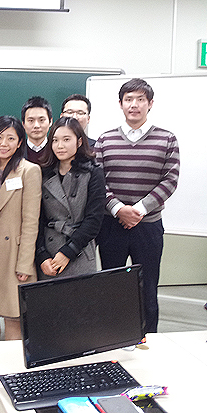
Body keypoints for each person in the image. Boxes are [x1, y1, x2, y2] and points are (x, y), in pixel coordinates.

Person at [95, 78, 180, 333]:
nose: (134, 105)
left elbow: (170, 180)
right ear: (120, 104)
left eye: (140, 99)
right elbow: (98, 181)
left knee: (147, 288)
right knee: (112, 287)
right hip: (112, 226)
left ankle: (148, 340)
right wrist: (118, 209)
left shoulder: (167, 139)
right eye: (129, 99)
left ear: (150, 103)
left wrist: (139, 210)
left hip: (148, 227)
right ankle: (112, 338)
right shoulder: (105, 140)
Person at [0, 116, 41, 341]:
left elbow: (31, 221)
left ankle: (12, 364)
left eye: (11, 138)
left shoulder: (29, 171)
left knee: (13, 317)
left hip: (13, 254)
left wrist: (25, 262)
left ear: (20, 142)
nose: (4, 143)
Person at [35, 117, 105, 279]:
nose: (60, 146)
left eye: (66, 139)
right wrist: (41, 254)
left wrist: (68, 251)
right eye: (55, 140)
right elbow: (37, 219)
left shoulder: (93, 172)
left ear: (79, 142)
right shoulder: (43, 173)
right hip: (49, 256)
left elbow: (94, 220)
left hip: (79, 249)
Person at [21, 96, 53, 164]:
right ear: (23, 124)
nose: (36, 126)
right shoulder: (16, 152)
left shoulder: (57, 150)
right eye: (31, 120)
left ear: (50, 122)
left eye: (41, 120)